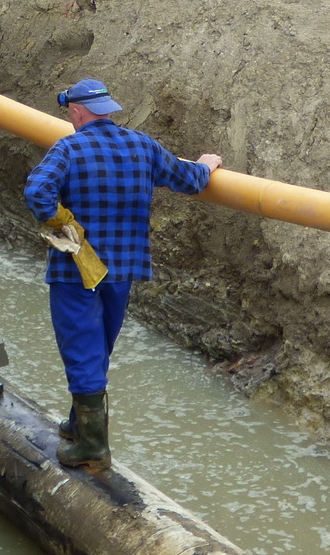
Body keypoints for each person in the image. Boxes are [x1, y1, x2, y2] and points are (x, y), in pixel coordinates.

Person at [23, 79, 222, 471]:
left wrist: (62, 221)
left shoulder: (69, 148)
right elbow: (191, 180)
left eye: (70, 113)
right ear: (108, 109)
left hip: (76, 268)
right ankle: (80, 423)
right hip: (123, 270)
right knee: (99, 346)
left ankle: (93, 447)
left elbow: (37, 193)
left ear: (78, 112)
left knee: (81, 347)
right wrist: (208, 163)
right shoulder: (142, 146)